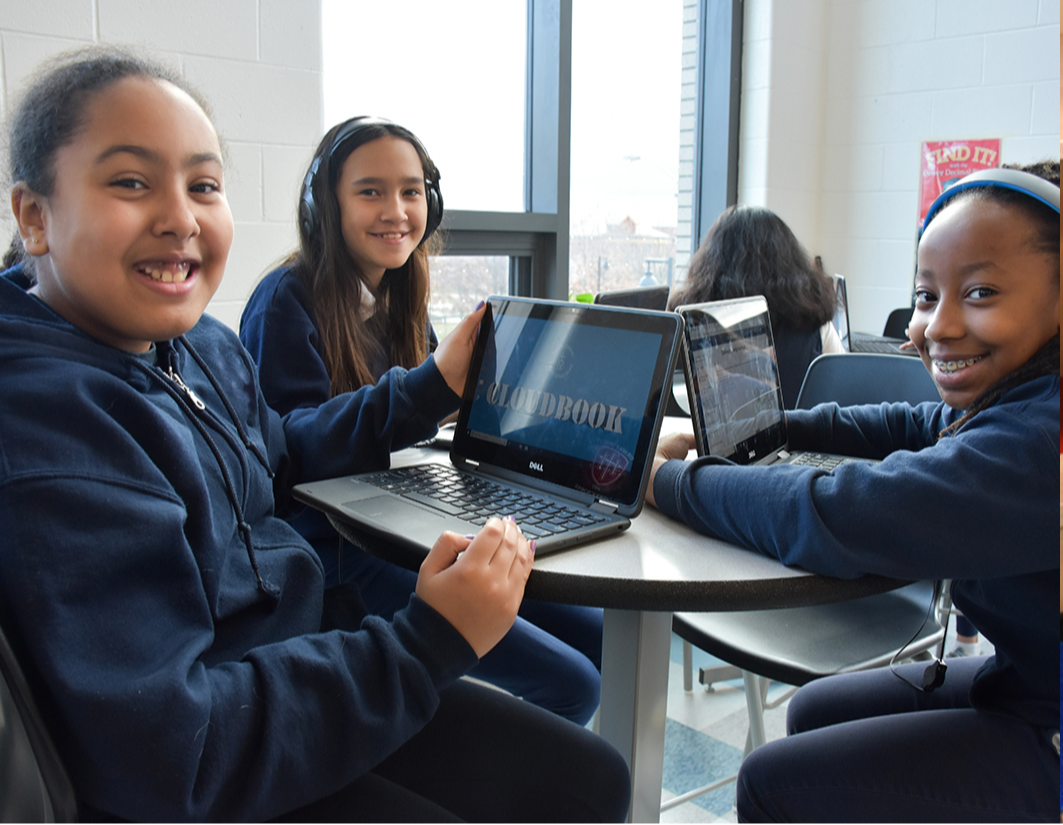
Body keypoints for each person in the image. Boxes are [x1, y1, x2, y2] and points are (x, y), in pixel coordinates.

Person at [0, 46, 622, 821]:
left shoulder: (191, 344)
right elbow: (175, 751)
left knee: (588, 777)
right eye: (131, 182)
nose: (180, 218)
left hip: (293, 660)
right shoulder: (54, 432)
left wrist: (435, 385)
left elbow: (282, 452)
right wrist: (426, 641)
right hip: (213, 749)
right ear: (34, 216)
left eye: (203, 185)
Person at [643, 165, 1063, 823]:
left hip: (1061, 732)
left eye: (980, 292)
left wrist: (670, 482)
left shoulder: (1038, 439)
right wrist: (771, 426)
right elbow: (909, 423)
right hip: (1028, 681)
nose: (937, 325)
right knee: (812, 708)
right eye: (926, 296)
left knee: (768, 782)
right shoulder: (1010, 402)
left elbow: (835, 513)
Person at [239, 115, 606, 726]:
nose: (396, 210)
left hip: (399, 523)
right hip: (333, 552)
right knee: (573, 686)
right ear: (326, 205)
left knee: (598, 635)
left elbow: (425, 414)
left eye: (411, 191)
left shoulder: (398, 295)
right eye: (370, 191)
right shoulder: (286, 298)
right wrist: (432, 384)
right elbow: (291, 448)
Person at [669, 205, 843, 406]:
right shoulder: (817, 328)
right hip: (801, 435)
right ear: (790, 261)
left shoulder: (690, 324)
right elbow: (843, 394)